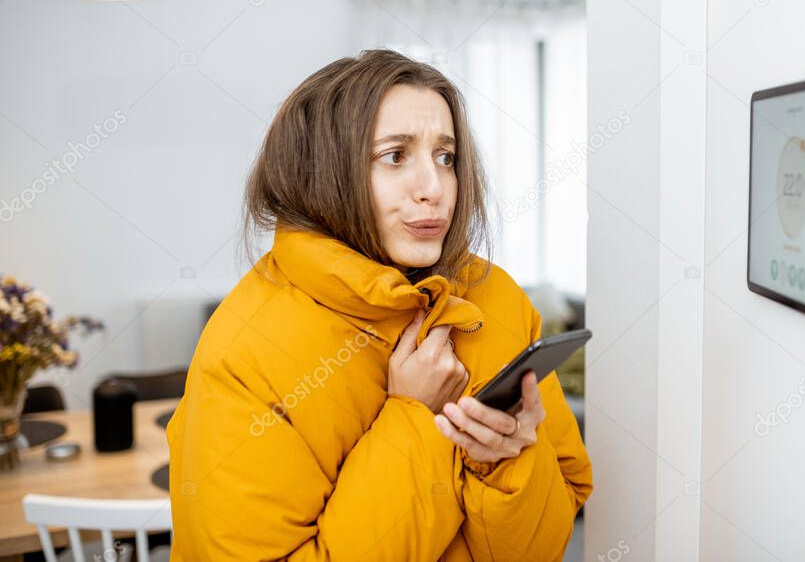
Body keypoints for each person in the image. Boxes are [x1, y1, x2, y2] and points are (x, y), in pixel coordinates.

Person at [167, 49, 593, 560]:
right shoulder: (242, 353)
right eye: (395, 156)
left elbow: (553, 528)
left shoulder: (496, 296)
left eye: (445, 157)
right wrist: (414, 417)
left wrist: (509, 459)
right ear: (323, 173)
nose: (434, 188)